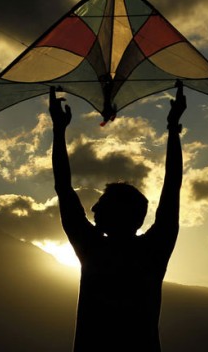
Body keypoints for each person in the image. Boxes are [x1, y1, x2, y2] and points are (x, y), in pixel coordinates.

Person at [49, 82, 186, 352]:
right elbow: (172, 187)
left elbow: (63, 187)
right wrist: (172, 128)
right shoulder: (153, 250)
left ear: (119, 213)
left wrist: (58, 129)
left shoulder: (92, 248)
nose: (93, 210)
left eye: (101, 205)